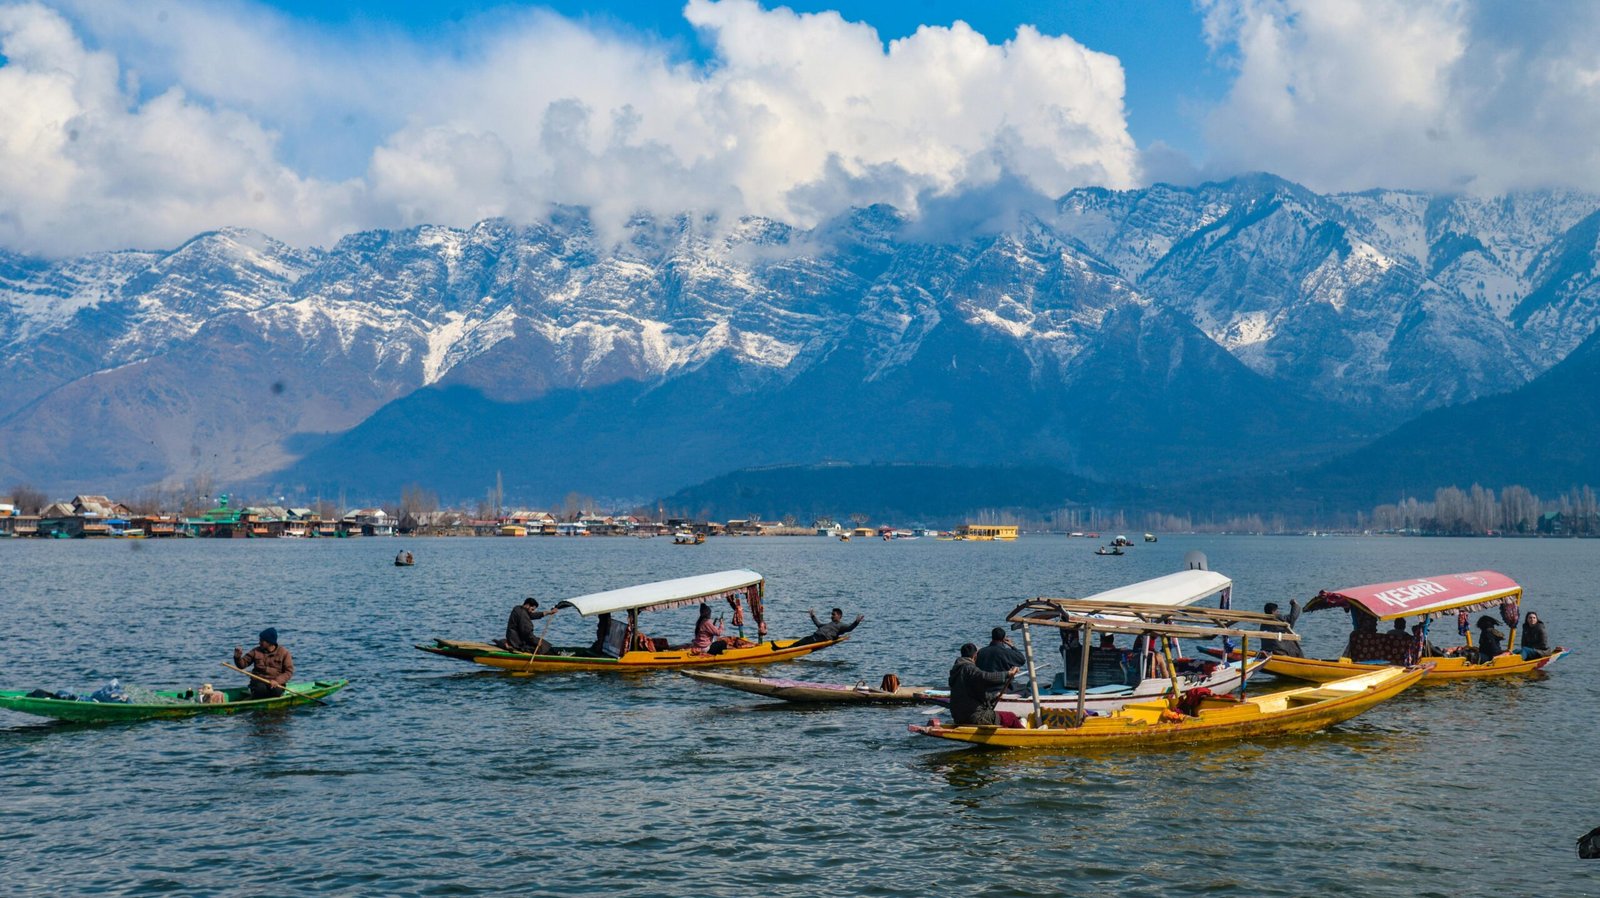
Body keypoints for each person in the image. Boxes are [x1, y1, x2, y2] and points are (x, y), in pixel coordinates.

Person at [948, 643, 1020, 727]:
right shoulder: (969, 668)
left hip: (958, 717)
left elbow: (974, 694)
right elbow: (986, 677)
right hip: (974, 717)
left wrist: (994, 697)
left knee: (1001, 718)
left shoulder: (956, 670)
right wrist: (1008, 673)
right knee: (1011, 717)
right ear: (975, 656)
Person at [234, 628, 293, 698]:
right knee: (260, 689)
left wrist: (277, 681)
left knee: (276, 691)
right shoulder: (255, 651)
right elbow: (242, 665)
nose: (259, 642)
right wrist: (237, 658)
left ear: (269, 642)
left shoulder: (284, 653)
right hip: (258, 682)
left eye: (262, 641)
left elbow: (288, 672)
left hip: (276, 683)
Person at [975, 627, 1026, 702]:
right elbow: (1022, 660)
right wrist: (1012, 645)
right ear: (1004, 639)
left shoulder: (981, 652)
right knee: (1026, 689)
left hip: (984, 687)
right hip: (1001, 688)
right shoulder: (1006, 652)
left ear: (992, 637)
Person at [794, 607, 864, 646]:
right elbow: (819, 625)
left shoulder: (841, 625)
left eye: (833, 614)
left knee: (801, 643)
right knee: (800, 642)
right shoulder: (829, 624)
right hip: (814, 637)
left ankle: (785, 651)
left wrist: (856, 622)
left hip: (820, 639)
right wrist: (812, 616)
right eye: (831, 614)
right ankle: (784, 649)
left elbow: (849, 628)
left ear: (839, 616)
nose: (832, 616)